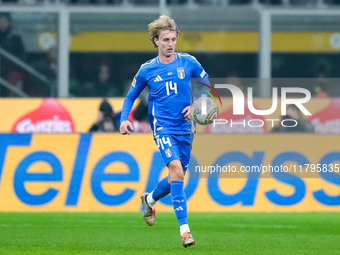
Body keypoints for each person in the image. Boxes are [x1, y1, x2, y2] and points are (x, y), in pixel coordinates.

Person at [120, 15, 209, 248]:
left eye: (173, 39)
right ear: (155, 41)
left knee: (176, 178)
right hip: (162, 127)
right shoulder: (147, 69)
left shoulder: (188, 62)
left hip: (186, 129)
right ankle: (185, 232)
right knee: (177, 171)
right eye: (165, 40)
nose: (170, 44)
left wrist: (198, 105)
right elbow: (131, 96)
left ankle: (149, 199)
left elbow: (207, 87)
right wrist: (123, 119)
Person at [0, 12, 26, 97]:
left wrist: (10, 66)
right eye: (0, 21)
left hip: (9, 72)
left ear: (9, 22)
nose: (2, 24)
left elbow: (21, 56)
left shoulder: (15, 38)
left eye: (4, 21)